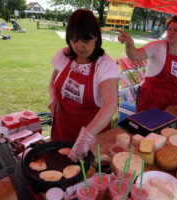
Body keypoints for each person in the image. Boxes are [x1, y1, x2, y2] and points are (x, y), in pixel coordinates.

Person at [49, 9, 120, 162]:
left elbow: (110, 104)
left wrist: (85, 137)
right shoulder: (64, 55)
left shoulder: (105, 66)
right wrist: (54, 97)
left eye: (86, 41)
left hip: (92, 138)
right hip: (62, 129)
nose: (79, 47)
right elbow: (53, 82)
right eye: (74, 40)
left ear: (96, 38)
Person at [118, 15, 177, 112]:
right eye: (169, 29)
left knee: (166, 126)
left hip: (170, 99)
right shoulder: (157, 46)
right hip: (151, 97)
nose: (171, 32)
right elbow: (135, 55)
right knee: (146, 125)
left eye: (176, 30)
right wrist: (129, 44)